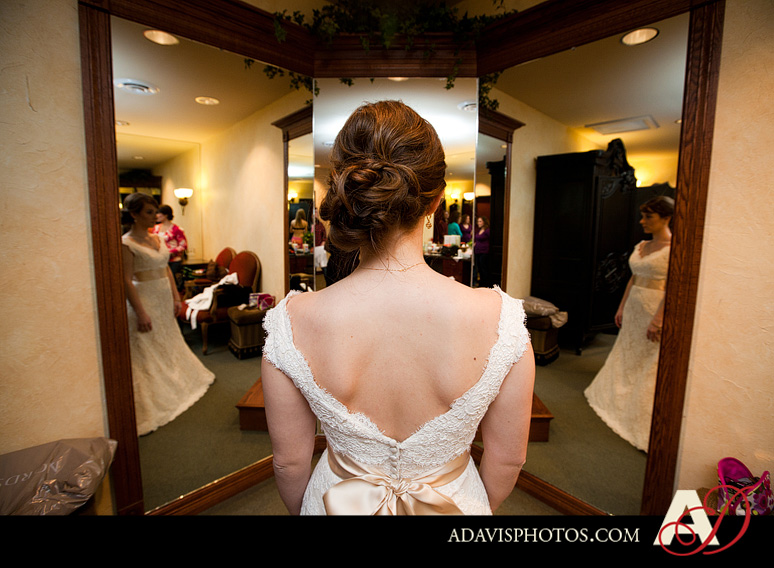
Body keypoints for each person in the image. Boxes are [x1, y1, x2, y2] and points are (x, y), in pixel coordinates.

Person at [261, 100, 535, 516]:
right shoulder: (503, 321)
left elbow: (290, 461)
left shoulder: (291, 322)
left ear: (344, 192)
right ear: (435, 202)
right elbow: (508, 459)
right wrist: (472, 505)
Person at [584, 195, 674, 452]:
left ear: (666, 218)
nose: (642, 221)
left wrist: (659, 318)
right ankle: (615, 396)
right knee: (626, 351)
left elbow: (673, 288)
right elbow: (633, 280)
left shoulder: (675, 249)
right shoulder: (642, 246)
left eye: (649, 217)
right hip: (635, 304)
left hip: (655, 306)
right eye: (643, 216)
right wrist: (622, 306)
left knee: (648, 357)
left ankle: (639, 409)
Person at [121, 193, 215, 436]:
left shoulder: (157, 238)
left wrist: (176, 297)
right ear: (134, 215)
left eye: (155, 212)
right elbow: (126, 281)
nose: (155, 216)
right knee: (147, 345)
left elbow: (167, 270)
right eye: (149, 212)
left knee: (169, 339)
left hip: (163, 295)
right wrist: (140, 312)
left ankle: (177, 380)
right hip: (144, 297)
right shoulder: (126, 243)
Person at [152, 204, 188, 290]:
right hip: (160, 259)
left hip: (173, 260)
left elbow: (183, 245)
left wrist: (170, 251)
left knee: (170, 282)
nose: (156, 216)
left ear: (166, 215)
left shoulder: (176, 229)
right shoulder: (156, 228)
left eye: (158, 213)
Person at [473, 216, 492, 287]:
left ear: (484, 222)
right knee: (479, 268)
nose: (479, 223)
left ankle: (485, 283)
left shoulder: (487, 230)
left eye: (480, 221)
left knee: (483, 268)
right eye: (478, 221)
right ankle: (481, 283)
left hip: (484, 252)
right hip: (477, 251)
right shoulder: (479, 230)